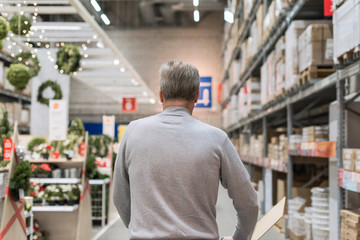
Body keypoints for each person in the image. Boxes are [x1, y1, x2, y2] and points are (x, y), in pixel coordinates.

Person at [113, 60, 258, 240]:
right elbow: (249, 203)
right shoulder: (216, 138)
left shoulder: (133, 132)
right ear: (197, 96)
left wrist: (141, 228)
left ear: (161, 95)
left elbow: (119, 197)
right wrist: (238, 238)